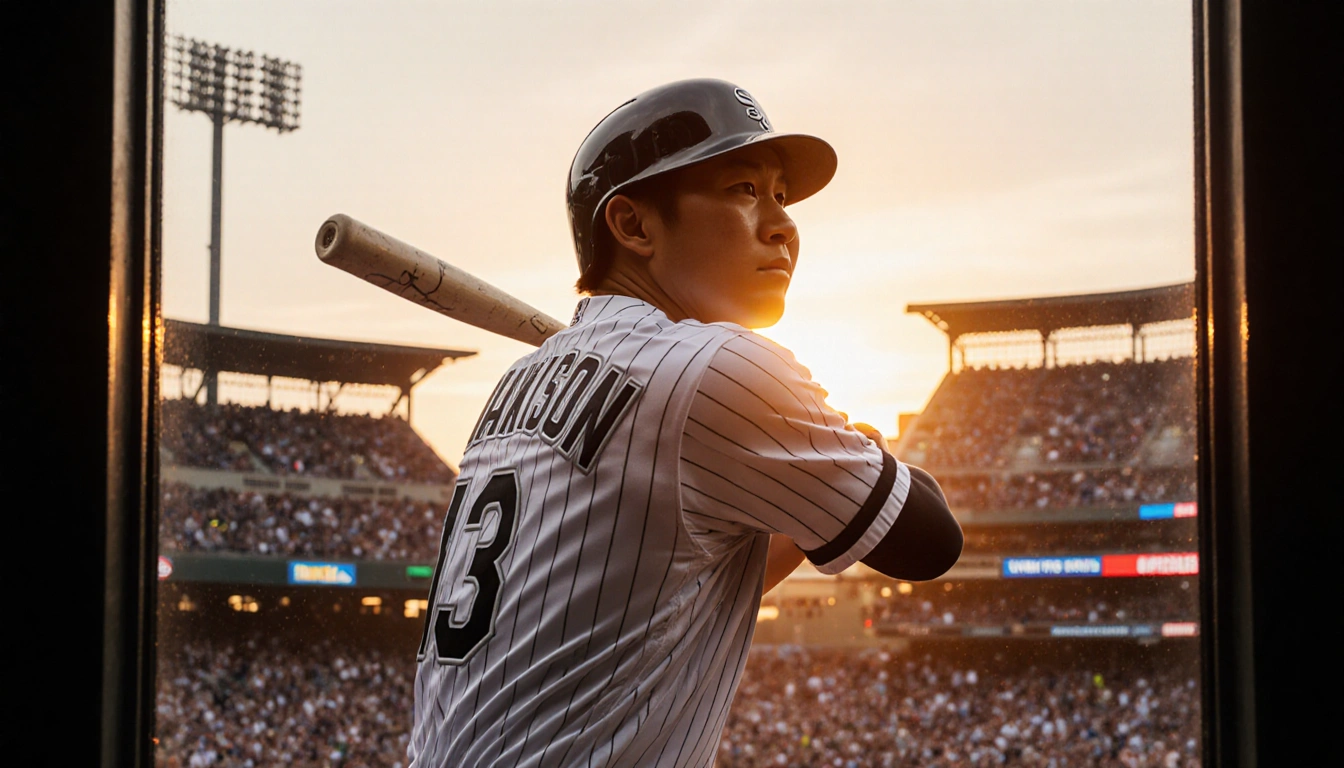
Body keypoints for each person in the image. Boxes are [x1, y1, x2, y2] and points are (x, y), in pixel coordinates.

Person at [407, 78, 963, 768]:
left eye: (781, 196)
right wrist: (865, 447)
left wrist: (824, 470)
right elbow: (929, 541)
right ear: (634, 225)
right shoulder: (714, 366)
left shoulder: (512, 388)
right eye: (742, 189)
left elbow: (651, 608)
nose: (783, 225)